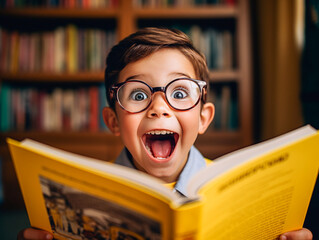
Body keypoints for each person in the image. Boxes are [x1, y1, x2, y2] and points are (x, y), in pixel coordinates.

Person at [17, 27, 313, 240]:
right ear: (114, 121)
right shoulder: (81, 194)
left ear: (203, 118)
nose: (159, 108)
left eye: (180, 92)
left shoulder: (241, 191)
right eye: (137, 95)